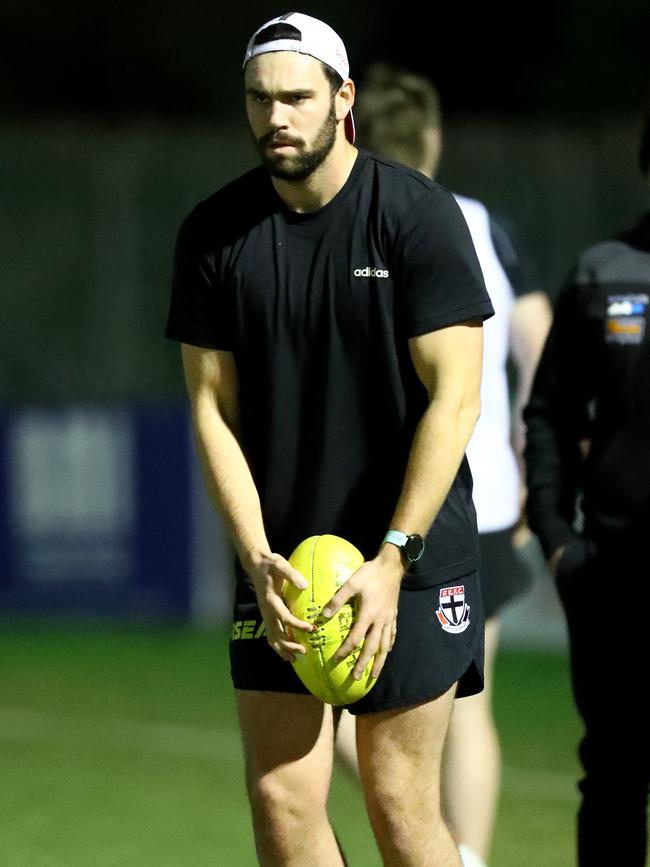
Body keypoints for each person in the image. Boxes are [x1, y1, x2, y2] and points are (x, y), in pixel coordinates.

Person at [166, 12, 494, 866]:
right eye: (259, 99)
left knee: (396, 798)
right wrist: (254, 555)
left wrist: (392, 557)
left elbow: (455, 398)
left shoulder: (415, 216)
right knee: (280, 800)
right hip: (283, 564)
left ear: (343, 99)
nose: (277, 118)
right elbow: (211, 409)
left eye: (297, 98)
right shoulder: (214, 235)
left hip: (409, 557)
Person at [334, 64, 552, 867]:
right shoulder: (477, 222)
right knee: (469, 707)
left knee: (329, 708)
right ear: (430, 138)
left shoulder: (345, 222)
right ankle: (460, 853)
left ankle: (437, 846)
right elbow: (542, 347)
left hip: (370, 500)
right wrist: (536, 458)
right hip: (485, 495)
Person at [524, 110, 650, 866]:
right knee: (614, 778)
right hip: (616, 578)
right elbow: (547, 414)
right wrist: (558, 539)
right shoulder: (604, 274)